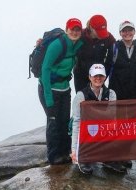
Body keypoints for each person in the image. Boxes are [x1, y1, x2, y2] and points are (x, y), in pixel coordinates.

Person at [38, 18, 83, 165]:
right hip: (49, 89)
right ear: (66, 29)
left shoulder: (77, 44)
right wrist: (48, 99)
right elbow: (45, 70)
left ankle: (65, 152)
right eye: (72, 29)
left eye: (78, 29)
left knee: (64, 121)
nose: (75, 32)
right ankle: (54, 156)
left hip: (64, 89)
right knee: (53, 121)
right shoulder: (58, 45)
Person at [107, 20, 136, 169]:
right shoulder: (115, 47)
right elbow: (107, 65)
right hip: (117, 93)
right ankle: (116, 156)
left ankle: (126, 155)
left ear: (134, 32)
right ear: (120, 33)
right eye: (124, 31)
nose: (127, 33)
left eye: (130, 30)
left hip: (134, 93)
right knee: (118, 126)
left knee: (131, 127)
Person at [70, 64, 117, 174]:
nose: (98, 78)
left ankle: (108, 157)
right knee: (86, 132)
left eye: (101, 75)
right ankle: (84, 158)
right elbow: (76, 122)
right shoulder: (81, 96)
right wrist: (74, 150)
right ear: (89, 77)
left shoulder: (111, 94)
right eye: (95, 75)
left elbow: (113, 119)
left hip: (104, 130)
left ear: (105, 77)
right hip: (86, 132)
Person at [74, 14, 116, 93]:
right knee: (82, 101)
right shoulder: (80, 35)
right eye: (99, 31)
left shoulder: (108, 37)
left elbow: (117, 49)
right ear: (91, 28)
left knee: (99, 102)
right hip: (81, 75)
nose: (102, 34)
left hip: (98, 75)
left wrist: (104, 74)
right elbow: (67, 39)